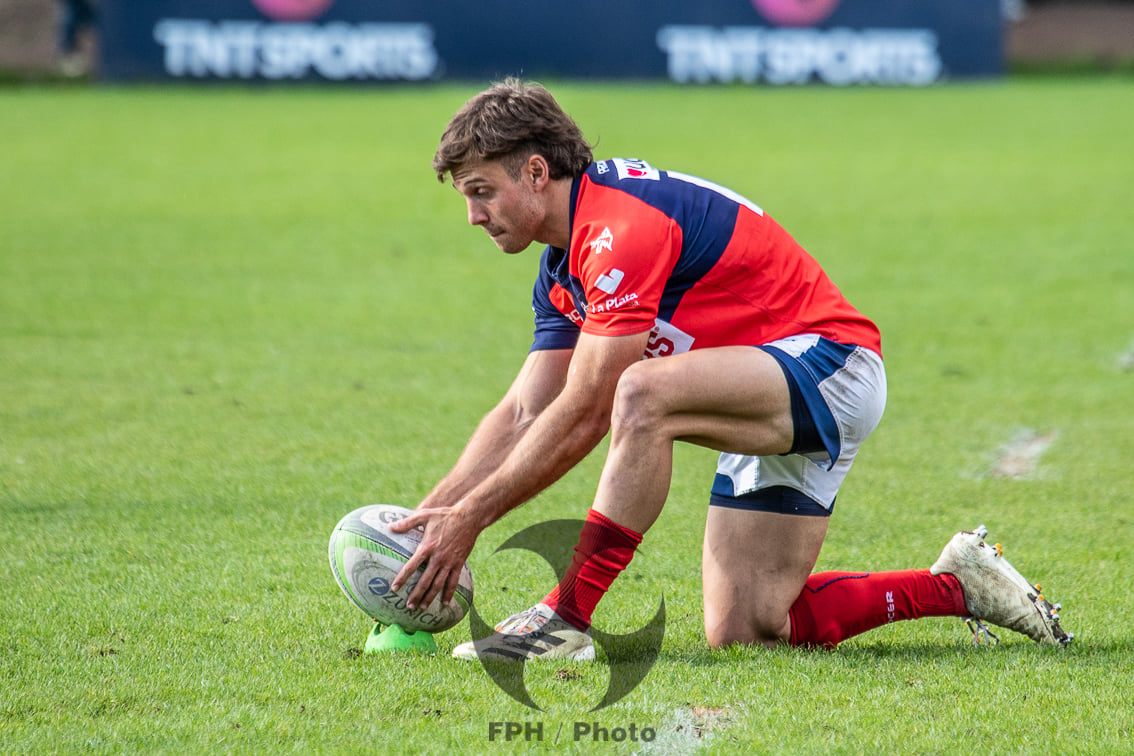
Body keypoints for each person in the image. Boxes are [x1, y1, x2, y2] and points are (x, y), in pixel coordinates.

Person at [388, 79, 1071, 660]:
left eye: (482, 191)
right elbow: (525, 411)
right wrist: (433, 517)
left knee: (640, 393)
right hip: (763, 386)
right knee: (749, 629)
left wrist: (472, 517)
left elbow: (592, 407)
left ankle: (565, 619)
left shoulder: (618, 228)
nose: (474, 216)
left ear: (536, 172)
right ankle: (957, 586)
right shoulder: (563, 262)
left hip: (829, 367)